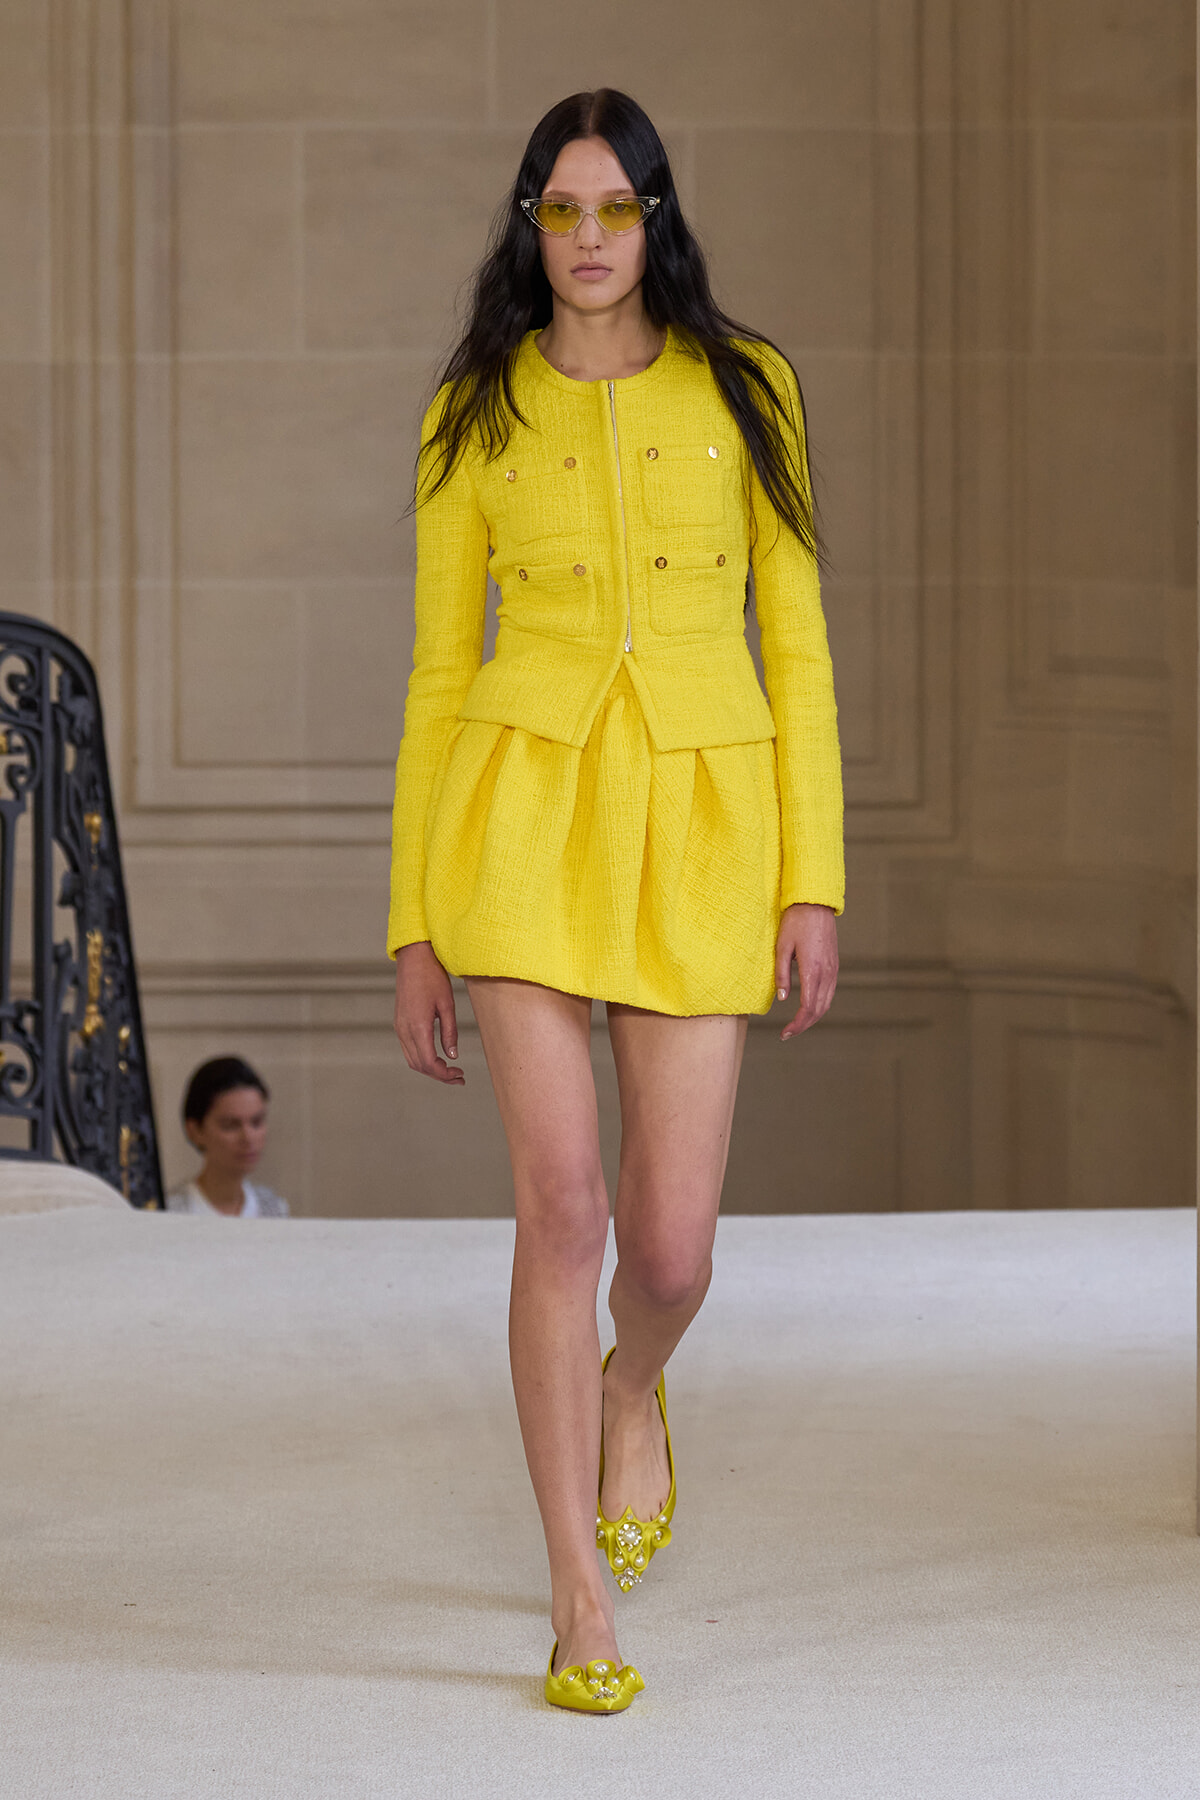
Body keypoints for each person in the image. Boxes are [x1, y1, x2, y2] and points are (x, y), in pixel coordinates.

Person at [389, 88, 843, 1713]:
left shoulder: (750, 387)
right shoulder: (475, 409)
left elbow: (794, 646)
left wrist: (814, 882)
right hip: (518, 820)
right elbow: (445, 670)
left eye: (614, 210)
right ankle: (578, 1594)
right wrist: (416, 920)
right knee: (563, 1209)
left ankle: (631, 1388)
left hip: (710, 823)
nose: (587, 241)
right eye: (558, 213)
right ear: (532, 227)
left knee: (668, 1247)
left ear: (658, 218)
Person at [166, 1057, 290, 1218]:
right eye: (230, 1125)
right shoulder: (170, 1211)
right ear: (195, 1130)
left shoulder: (273, 1209)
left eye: (256, 1122)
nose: (248, 1137)